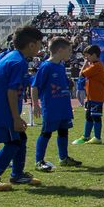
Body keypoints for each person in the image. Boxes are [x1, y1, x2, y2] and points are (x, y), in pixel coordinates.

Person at [0, 26, 44, 191]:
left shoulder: (13, 57)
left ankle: (17, 175)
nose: (40, 47)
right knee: (13, 142)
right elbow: (11, 91)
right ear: (31, 45)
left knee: (20, 138)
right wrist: (15, 117)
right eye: (39, 44)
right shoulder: (18, 62)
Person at [32, 37, 82, 171]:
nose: (70, 53)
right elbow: (35, 86)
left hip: (64, 106)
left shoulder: (60, 65)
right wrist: (35, 104)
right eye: (69, 50)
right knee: (46, 133)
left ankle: (64, 158)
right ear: (60, 50)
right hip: (51, 107)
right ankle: (39, 161)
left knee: (63, 131)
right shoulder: (46, 66)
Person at [72, 45, 104, 145]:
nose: (86, 59)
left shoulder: (97, 65)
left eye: (87, 56)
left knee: (96, 116)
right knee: (88, 116)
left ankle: (97, 137)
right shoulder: (93, 65)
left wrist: (85, 63)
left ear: (94, 55)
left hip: (97, 96)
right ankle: (86, 136)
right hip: (91, 96)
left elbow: (81, 74)